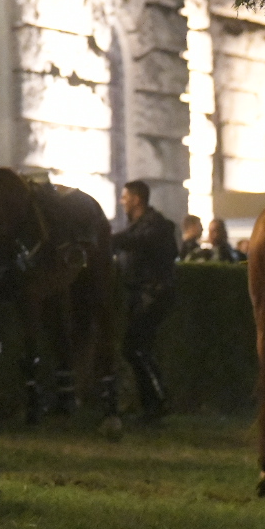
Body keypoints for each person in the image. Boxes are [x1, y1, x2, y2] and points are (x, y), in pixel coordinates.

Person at [112, 180, 177, 422]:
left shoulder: (156, 225)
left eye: (125, 196)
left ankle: (157, 401)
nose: (122, 202)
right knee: (138, 349)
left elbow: (137, 241)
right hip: (144, 295)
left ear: (137, 199)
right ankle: (151, 404)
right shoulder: (140, 225)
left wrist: (105, 239)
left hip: (153, 295)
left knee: (135, 348)